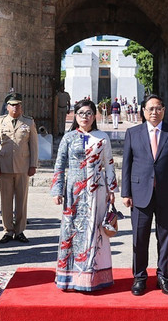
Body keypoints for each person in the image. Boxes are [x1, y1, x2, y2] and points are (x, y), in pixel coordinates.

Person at [121, 94, 168, 296]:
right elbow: (127, 164)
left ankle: (164, 277)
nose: (154, 112)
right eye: (150, 109)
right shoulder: (133, 133)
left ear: (164, 110)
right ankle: (139, 277)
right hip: (140, 194)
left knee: (165, 237)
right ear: (143, 111)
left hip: (167, 194)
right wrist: (125, 193)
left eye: (158, 108)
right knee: (139, 238)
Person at [51, 99, 118, 292]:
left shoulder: (102, 137)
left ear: (94, 115)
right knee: (71, 232)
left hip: (97, 191)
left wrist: (112, 190)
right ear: (75, 115)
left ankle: (92, 277)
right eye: (81, 113)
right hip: (73, 192)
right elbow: (59, 163)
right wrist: (57, 189)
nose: (85, 117)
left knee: (94, 231)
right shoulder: (69, 137)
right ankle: (68, 277)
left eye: (89, 113)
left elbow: (110, 164)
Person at [0, 93, 38, 244]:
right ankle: (7, 230)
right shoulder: (0, 122)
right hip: (4, 166)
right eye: (12, 105)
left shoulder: (28, 122)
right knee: (5, 200)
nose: (15, 107)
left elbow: (34, 145)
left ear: (21, 107)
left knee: (21, 200)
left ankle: (19, 231)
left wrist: (33, 165)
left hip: (23, 167)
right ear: (7, 107)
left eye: (18, 105)